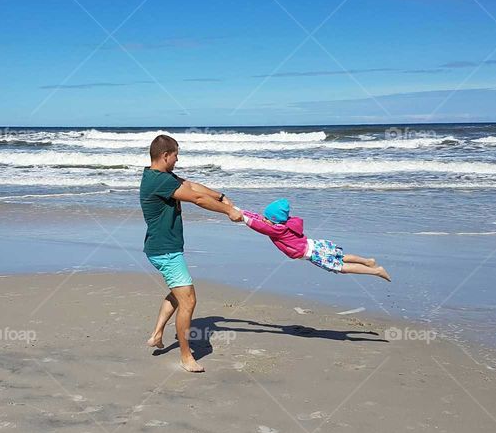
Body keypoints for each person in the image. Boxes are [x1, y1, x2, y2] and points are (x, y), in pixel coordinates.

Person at [140, 134, 242, 373]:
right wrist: (228, 211)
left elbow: (192, 186)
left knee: (178, 294)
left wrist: (220, 196)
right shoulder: (158, 181)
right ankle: (186, 357)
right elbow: (196, 198)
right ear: (165, 155)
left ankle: (156, 334)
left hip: (164, 248)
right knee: (188, 300)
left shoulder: (161, 175)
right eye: (176, 155)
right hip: (165, 251)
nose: (177, 160)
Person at [236, 198, 391, 281]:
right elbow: (259, 219)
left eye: (267, 218)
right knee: (341, 256)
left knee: (341, 268)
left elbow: (260, 226)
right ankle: (367, 261)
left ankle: (376, 271)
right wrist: (239, 210)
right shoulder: (285, 223)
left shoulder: (278, 229)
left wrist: (244, 218)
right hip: (315, 245)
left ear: (275, 220)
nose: (264, 219)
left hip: (312, 253)